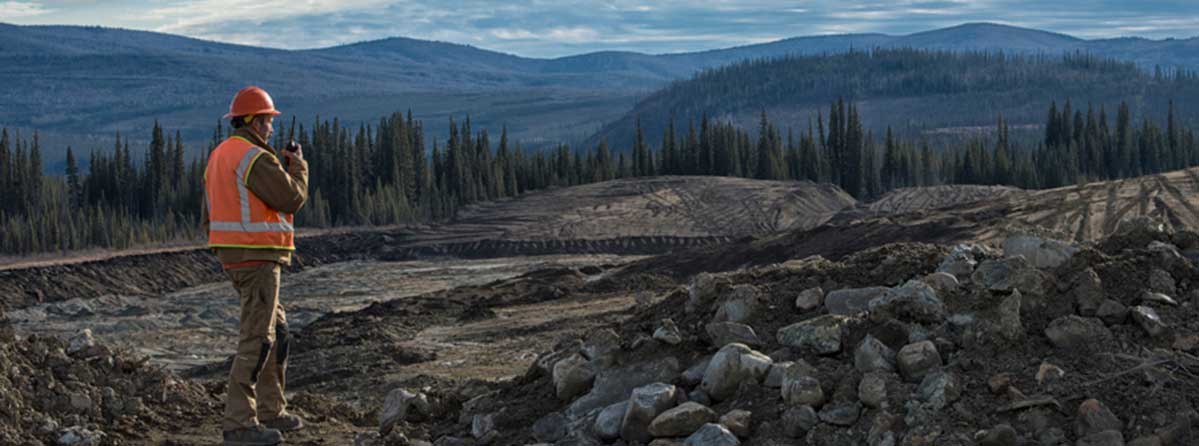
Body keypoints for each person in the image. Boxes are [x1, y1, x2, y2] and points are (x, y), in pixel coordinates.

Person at [203, 86, 308, 445]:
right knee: (258, 338)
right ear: (252, 120)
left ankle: (270, 410)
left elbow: (209, 211)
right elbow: (291, 198)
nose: (272, 129)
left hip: (237, 255)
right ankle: (239, 423)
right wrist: (299, 167)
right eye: (267, 121)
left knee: (276, 332)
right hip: (257, 256)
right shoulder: (254, 158)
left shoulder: (221, 154)